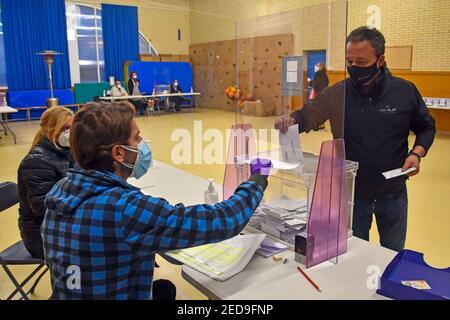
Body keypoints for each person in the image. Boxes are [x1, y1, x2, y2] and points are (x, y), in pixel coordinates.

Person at [41, 101, 270, 300]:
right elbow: (224, 220)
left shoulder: (61, 191)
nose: (142, 144)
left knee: (164, 289)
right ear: (118, 153)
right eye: (137, 138)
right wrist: (256, 182)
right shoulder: (124, 210)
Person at [275, 26, 436, 252]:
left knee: (392, 252)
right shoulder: (337, 93)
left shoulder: (404, 91)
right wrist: (292, 120)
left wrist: (416, 153)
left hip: (393, 192)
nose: (353, 68)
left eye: (360, 62)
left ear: (380, 60)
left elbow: (426, 126)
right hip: (351, 194)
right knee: (353, 252)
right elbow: (309, 114)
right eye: (349, 62)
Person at [17, 106, 74, 259]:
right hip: (39, 235)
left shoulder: (67, 152)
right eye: (65, 128)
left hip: (60, 225)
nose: (70, 133)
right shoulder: (36, 161)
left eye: (72, 127)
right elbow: (43, 207)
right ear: (50, 130)